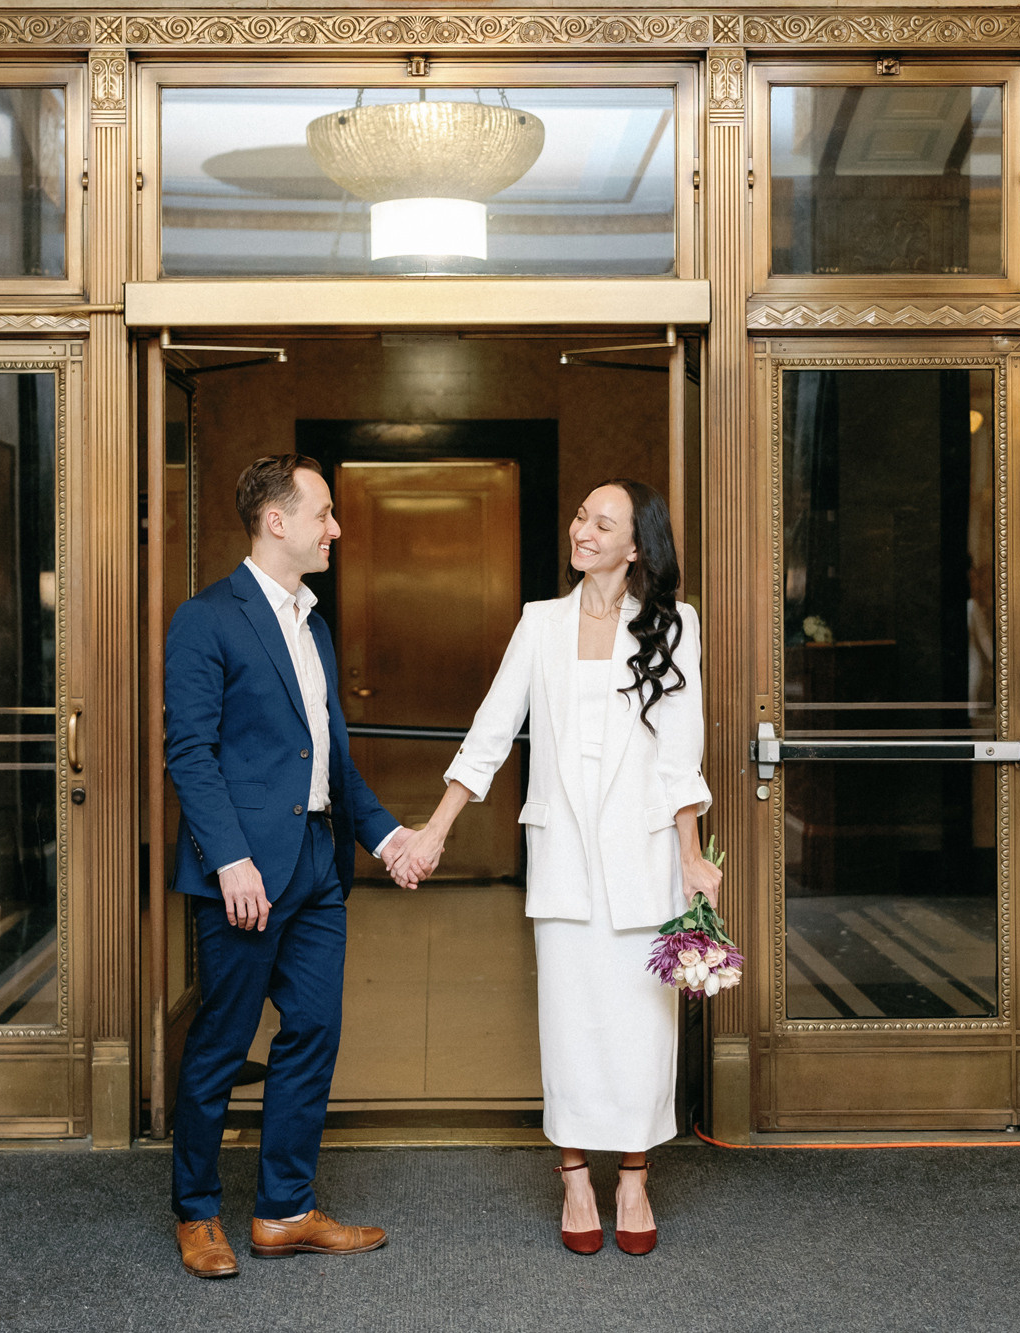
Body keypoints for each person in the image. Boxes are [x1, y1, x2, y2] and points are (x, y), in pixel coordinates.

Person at [390, 479, 717, 1257]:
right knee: (570, 1023)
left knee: (643, 1025)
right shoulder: (540, 624)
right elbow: (490, 733)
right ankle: (575, 1173)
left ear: (637, 545)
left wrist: (694, 857)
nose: (583, 530)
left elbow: (680, 754)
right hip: (565, 860)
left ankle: (633, 1174)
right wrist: (433, 832)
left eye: (603, 523)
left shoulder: (675, 625)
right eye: (579, 516)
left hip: (644, 859)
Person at [163, 453, 418, 1279]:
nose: (335, 528)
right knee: (222, 1042)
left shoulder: (314, 621)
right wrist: (230, 859)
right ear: (278, 521)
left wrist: (385, 838)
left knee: (313, 1032)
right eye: (324, 514)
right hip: (245, 875)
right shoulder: (207, 618)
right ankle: (197, 1211)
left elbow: (332, 758)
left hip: (317, 865)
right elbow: (191, 754)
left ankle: (284, 1210)